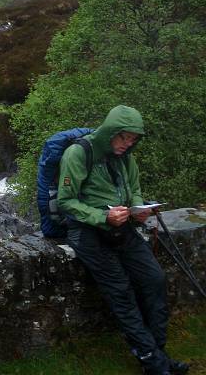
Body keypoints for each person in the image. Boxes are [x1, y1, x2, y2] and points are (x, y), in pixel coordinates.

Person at [57, 105, 189, 375]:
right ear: (110, 132)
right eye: (123, 137)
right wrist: (101, 217)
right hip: (87, 232)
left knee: (155, 279)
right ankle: (154, 363)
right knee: (121, 291)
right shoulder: (78, 153)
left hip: (122, 228)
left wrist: (139, 211)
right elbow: (66, 202)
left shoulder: (126, 157)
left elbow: (134, 191)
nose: (127, 144)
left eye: (132, 139)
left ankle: (158, 353)